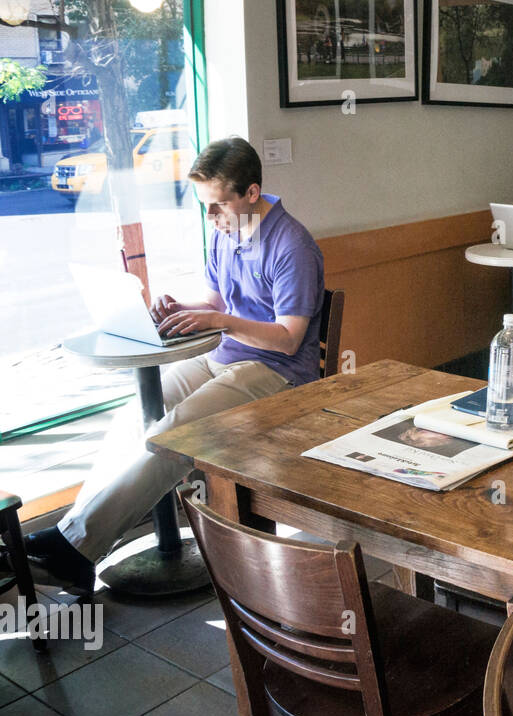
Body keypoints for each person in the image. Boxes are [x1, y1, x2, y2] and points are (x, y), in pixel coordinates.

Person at [20, 136, 324, 596]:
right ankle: (74, 537)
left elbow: (289, 339)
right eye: (204, 206)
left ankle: (75, 549)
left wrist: (219, 320)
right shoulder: (228, 232)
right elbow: (216, 300)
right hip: (226, 357)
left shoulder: (292, 245)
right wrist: (181, 307)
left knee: (174, 432)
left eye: (218, 205)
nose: (212, 218)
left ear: (252, 193)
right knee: (137, 415)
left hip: (280, 374)